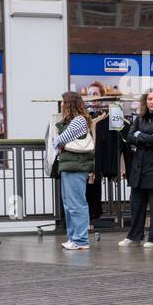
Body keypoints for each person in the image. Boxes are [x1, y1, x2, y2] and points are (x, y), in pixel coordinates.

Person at [119, 88, 153, 247]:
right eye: (149, 99)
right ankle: (134, 235)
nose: (152, 102)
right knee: (136, 203)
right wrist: (146, 137)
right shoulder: (139, 118)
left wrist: (139, 136)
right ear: (145, 101)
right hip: (138, 166)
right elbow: (129, 137)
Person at [52, 92, 96, 251]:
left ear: (69, 104)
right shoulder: (74, 120)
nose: (61, 105)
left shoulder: (79, 120)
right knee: (69, 204)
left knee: (76, 203)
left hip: (76, 166)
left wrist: (58, 142)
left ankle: (81, 240)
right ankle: (73, 238)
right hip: (70, 165)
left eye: (63, 102)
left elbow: (59, 140)